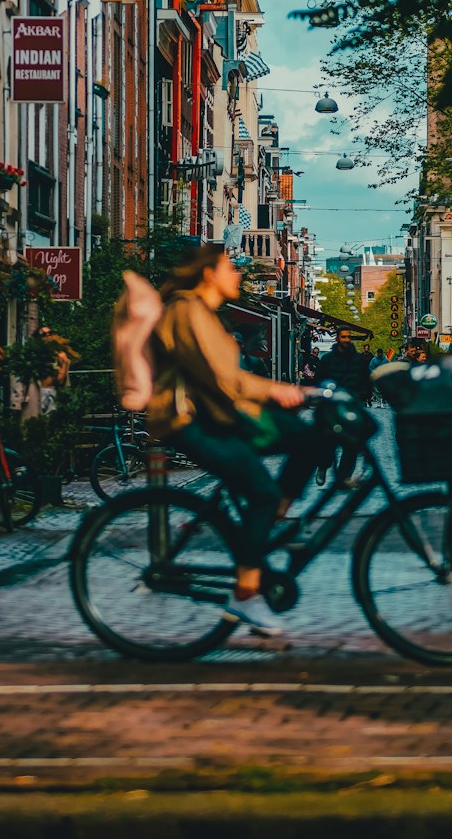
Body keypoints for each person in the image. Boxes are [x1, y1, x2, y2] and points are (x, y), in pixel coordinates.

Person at [145, 245, 334, 637]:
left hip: (222, 414)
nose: (237, 273)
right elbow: (223, 378)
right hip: (191, 421)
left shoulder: (208, 315)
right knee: (262, 493)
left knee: (312, 438)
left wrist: (287, 393)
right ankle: (246, 595)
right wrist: (280, 391)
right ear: (209, 274)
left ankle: (271, 523)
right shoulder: (187, 312)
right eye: (231, 267)